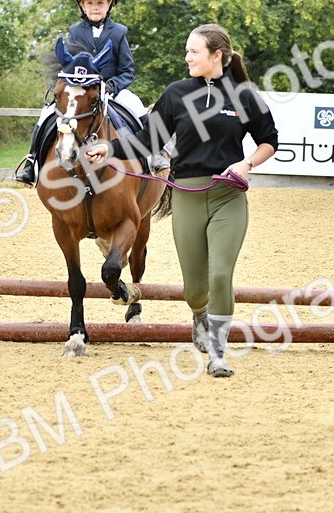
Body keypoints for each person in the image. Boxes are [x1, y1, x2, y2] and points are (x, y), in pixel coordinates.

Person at [86, 24, 279, 378]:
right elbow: (147, 141)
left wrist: (247, 163)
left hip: (228, 197)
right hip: (187, 197)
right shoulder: (176, 94)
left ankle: (218, 353)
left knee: (221, 274)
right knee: (195, 289)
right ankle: (199, 314)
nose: (187, 57)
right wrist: (109, 148)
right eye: (187, 51)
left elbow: (270, 140)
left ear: (216, 55)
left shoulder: (244, 97)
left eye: (194, 52)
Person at [14, 0, 158, 185]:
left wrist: (112, 86)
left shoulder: (118, 32)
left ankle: (155, 155)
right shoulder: (75, 31)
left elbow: (127, 71)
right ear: (82, 6)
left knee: (136, 106)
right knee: (46, 114)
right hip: (81, 91)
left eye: (100, 3)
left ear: (110, 4)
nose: (95, 7)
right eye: (90, 3)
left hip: (111, 89)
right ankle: (32, 162)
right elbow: (71, 64)